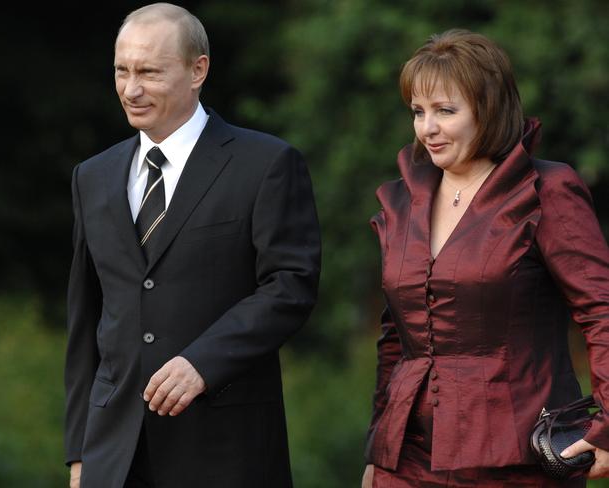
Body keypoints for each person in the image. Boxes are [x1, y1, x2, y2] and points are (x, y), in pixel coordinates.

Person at [63, 3, 321, 487]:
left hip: (226, 449)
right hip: (112, 456)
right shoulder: (91, 177)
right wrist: (79, 453)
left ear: (197, 69)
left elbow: (290, 287)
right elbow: (86, 321)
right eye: (122, 71)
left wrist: (203, 361)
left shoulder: (266, 164)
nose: (131, 89)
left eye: (150, 72)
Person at [361, 29, 609, 487]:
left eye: (445, 111)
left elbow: (601, 311)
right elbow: (396, 335)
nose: (427, 128)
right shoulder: (402, 201)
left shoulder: (547, 191)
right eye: (418, 112)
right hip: (409, 460)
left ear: (489, 109)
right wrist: (379, 450)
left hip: (516, 457)